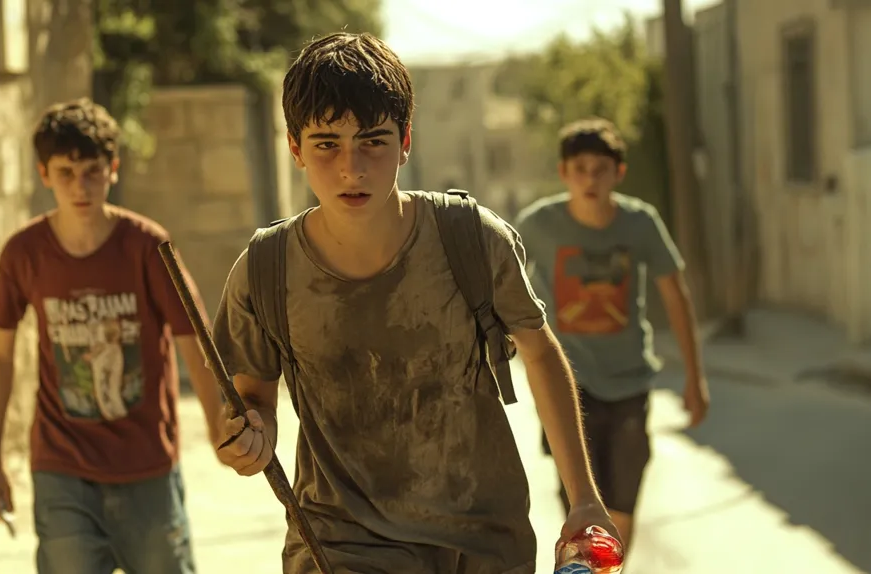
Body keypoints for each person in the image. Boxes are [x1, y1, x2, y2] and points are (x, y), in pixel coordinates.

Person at [209, 32, 617, 574]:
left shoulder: (471, 239)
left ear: (405, 141)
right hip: (342, 540)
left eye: (373, 142)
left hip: (483, 539)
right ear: (294, 147)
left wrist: (583, 497)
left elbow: (540, 356)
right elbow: (251, 397)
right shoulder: (265, 270)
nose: (351, 167)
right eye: (327, 143)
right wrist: (248, 440)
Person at [0, 97, 223, 574]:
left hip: (147, 467)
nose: (81, 186)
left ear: (113, 169)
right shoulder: (23, 254)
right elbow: (1, 357)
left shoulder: (147, 246)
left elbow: (194, 340)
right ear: (44, 173)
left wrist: (218, 429)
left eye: (92, 170)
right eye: (66, 173)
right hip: (61, 469)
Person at [515, 117, 710, 553]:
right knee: (580, 511)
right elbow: (501, 287)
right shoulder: (536, 226)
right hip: (566, 388)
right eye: (580, 168)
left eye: (600, 169)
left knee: (620, 511)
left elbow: (676, 296)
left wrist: (695, 378)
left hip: (628, 386)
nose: (590, 179)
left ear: (618, 174)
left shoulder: (640, 224)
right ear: (564, 173)